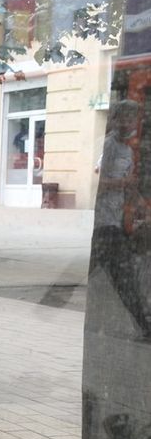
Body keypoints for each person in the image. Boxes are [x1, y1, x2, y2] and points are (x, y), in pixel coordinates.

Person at [91, 99, 151, 340]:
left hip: (114, 222)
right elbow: (98, 184)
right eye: (123, 118)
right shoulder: (109, 146)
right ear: (114, 120)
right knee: (124, 277)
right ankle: (145, 326)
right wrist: (122, 184)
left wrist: (142, 207)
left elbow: (128, 187)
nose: (128, 123)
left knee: (117, 275)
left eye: (131, 118)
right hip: (104, 222)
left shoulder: (126, 150)